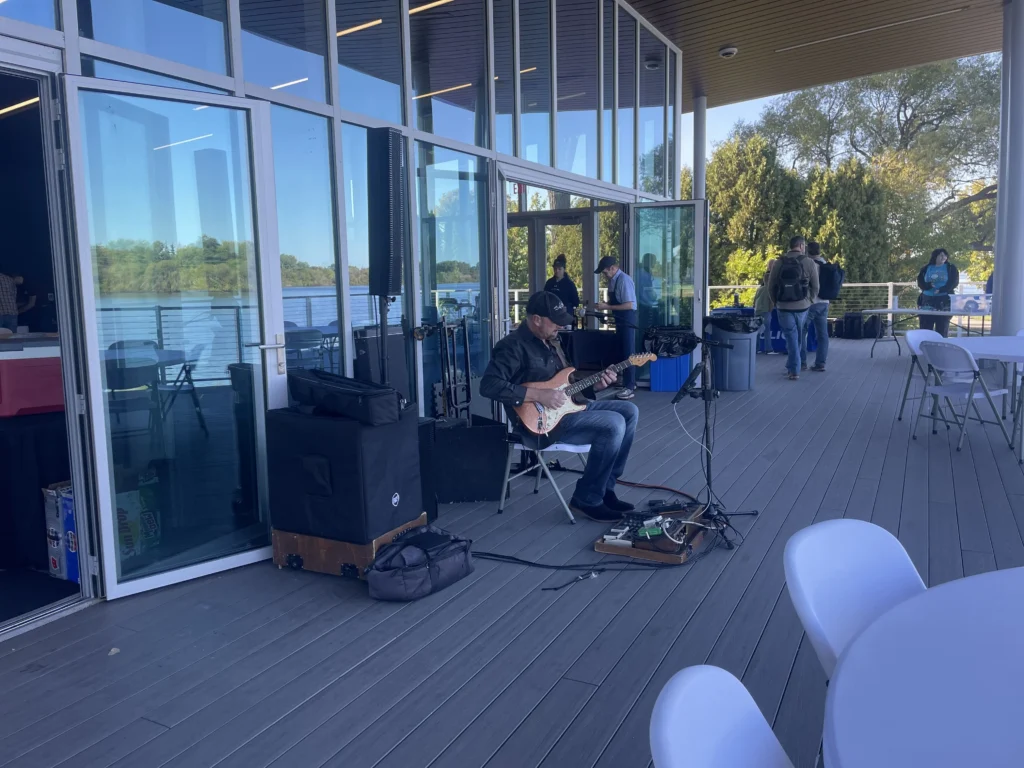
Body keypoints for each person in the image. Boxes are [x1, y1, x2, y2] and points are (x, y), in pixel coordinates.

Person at [480, 291, 639, 523]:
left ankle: (604, 489)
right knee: (613, 423)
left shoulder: (552, 342)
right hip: (538, 425)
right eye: (555, 322)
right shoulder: (512, 347)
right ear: (536, 319)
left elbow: (568, 387)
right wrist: (538, 395)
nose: (560, 327)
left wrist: (596, 384)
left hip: (567, 410)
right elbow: (489, 386)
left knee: (629, 411)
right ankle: (587, 499)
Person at [767, 236, 818, 380]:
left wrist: (776, 302)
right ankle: (795, 366)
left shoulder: (778, 262)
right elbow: (816, 286)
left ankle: (793, 368)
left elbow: (770, 286)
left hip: (783, 306)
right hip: (802, 306)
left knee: (791, 337)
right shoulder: (809, 262)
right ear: (801, 246)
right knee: (798, 336)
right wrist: (810, 300)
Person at [595, 255, 638, 399]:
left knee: (628, 352)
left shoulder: (624, 280)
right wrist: (606, 304)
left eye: (605, 272)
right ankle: (625, 380)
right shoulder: (613, 281)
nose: (604, 275)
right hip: (619, 318)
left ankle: (630, 386)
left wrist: (607, 306)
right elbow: (616, 300)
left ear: (612, 268)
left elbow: (629, 304)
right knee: (620, 349)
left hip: (627, 318)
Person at [799, 241, 829, 372]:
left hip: (812, 303)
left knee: (802, 331)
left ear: (808, 252)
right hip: (825, 303)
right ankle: (820, 363)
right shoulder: (825, 263)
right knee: (822, 335)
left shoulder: (811, 264)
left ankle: (802, 362)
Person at [916, 248, 958, 337]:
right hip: (927, 299)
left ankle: (941, 347)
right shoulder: (926, 268)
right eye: (941, 255)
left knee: (942, 327)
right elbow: (920, 282)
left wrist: (942, 289)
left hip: (944, 299)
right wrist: (928, 286)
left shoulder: (951, 268)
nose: (943, 257)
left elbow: (954, 282)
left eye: (945, 255)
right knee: (925, 327)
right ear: (935, 256)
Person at [753, 260, 775, 354]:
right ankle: (768, 349)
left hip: (757, 310)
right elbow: (771, 301)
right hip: (766, 311)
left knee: (757, 330)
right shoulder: (769, 289)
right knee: (766, 330)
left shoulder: (759, 289)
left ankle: (756, 349)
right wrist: (771, 309)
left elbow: (754, 300)